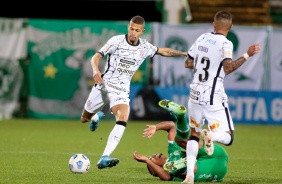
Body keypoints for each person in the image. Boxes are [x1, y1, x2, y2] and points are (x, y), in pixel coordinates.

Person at [80, 15, 188, 169]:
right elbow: (96, 57)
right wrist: (95, 69)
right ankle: (95, 118)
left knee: (123, 118)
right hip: (103, 85)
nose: (133, 32)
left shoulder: (145, 47)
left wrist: (183, 54)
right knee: (84, 118)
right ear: (128, 27)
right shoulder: (115, 41)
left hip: (121, 91)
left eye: (137, 30)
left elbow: (162, 51)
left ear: (142, 31)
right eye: (131, 28)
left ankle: (104, 157)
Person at [182, 10, 261, 184]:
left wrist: (201, 59)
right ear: (231, 27)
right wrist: (247, 55)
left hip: (195, 93)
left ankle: (189, 176)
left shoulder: (201, 38)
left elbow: (187, 63)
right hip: (212, 95)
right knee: (228, 136)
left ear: (214, 23)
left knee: (193, 134)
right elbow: (227, 68)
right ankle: (211, 135)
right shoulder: (226, 43)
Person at [133, 100, 228, 182]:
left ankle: (181, 116)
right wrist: (146, 160)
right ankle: (186, 164)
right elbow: (166, 177)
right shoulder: (167, 174)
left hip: (212, 152)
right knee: (186, 170)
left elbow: (171, 126)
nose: (153, 155)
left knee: (179, 140)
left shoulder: (173, 151)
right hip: (214, 170)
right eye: (151, 158)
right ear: (155, 170)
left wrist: (156, 127)